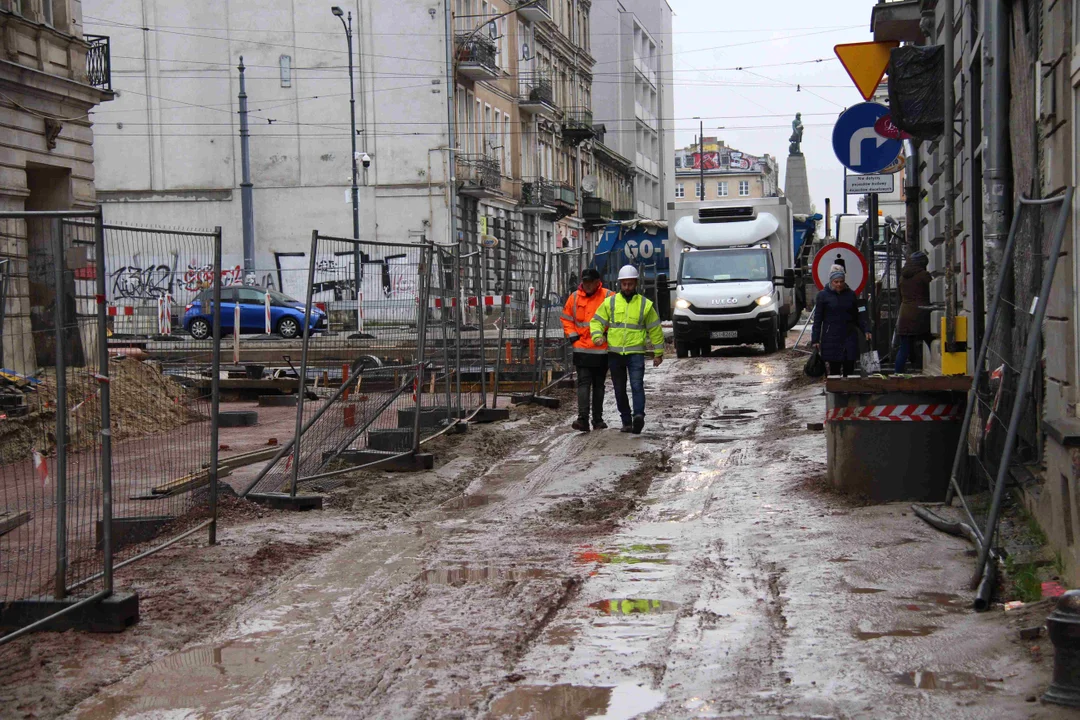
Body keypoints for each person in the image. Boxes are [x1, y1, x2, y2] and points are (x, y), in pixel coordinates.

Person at [590, 265, 665, 434]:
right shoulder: (610, 302)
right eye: (624, 284)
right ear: (620, 284)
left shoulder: (645, 305)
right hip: (615, 353)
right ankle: (626, 421)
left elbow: (655, 329)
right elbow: (596, 321)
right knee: (619, 388)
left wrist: (658, 353)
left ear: (636, 284)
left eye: (630, 284)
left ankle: (638, 416)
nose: (627, 288)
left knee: (637, 385)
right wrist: (597, 336)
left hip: (636, 353)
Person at [560, 268, 614, 432]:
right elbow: (566, 318)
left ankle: (597, 419)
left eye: (590, 281)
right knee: (584, 383)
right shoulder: (574, 297)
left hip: (601, 349)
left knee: (598, 385)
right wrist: (573, 336)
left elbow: (617, 319)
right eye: (585, 281)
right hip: (582, 348)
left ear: (598, 282)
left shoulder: (608, 296)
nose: (587, 284)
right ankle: (583, 419)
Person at [811, 265, 871, 377]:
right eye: (836, 282)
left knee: (850, 368)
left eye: (841, 281)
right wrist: (815, 339)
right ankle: (835, 393)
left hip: (849, 336)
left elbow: (858, 316)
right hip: (831, 338)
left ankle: (849, 392)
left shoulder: (851, 295)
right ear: (831, 281)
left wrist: (866, 330)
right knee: (834, 370)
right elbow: (818, 320)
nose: (839, 284)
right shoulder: (823, 296)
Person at [895, 250, 932, 373]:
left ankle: (897, 375)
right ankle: (942, 369)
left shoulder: (902, 277)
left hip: (905, 314)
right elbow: (932, 291)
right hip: (921, 314)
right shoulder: (924, 275)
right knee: (933, 342)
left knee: (904, 348)